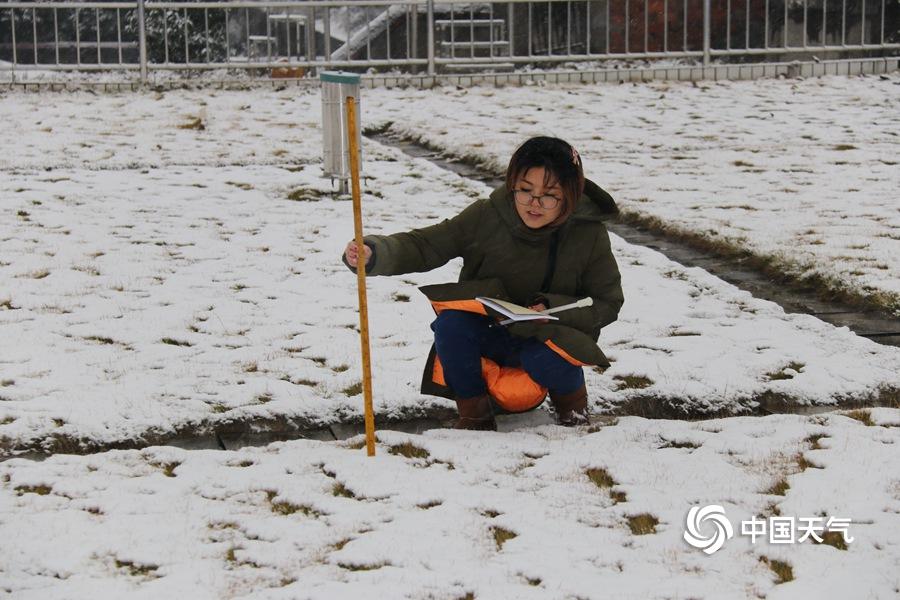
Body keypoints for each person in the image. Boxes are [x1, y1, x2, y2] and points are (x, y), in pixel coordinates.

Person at [343, 136, 623, 431]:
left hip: (548, 337)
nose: (534, 203)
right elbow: (427, 245)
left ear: (570, 195)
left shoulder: (587, 235)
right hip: (491, 329)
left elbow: (607, 301)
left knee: (543, 356)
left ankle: (573, 409)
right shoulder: (487, 217)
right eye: (525, 190)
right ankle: (475, 416)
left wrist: (553, 310)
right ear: (512, 183)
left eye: (549, 195)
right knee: (451, 326)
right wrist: (374, 253)